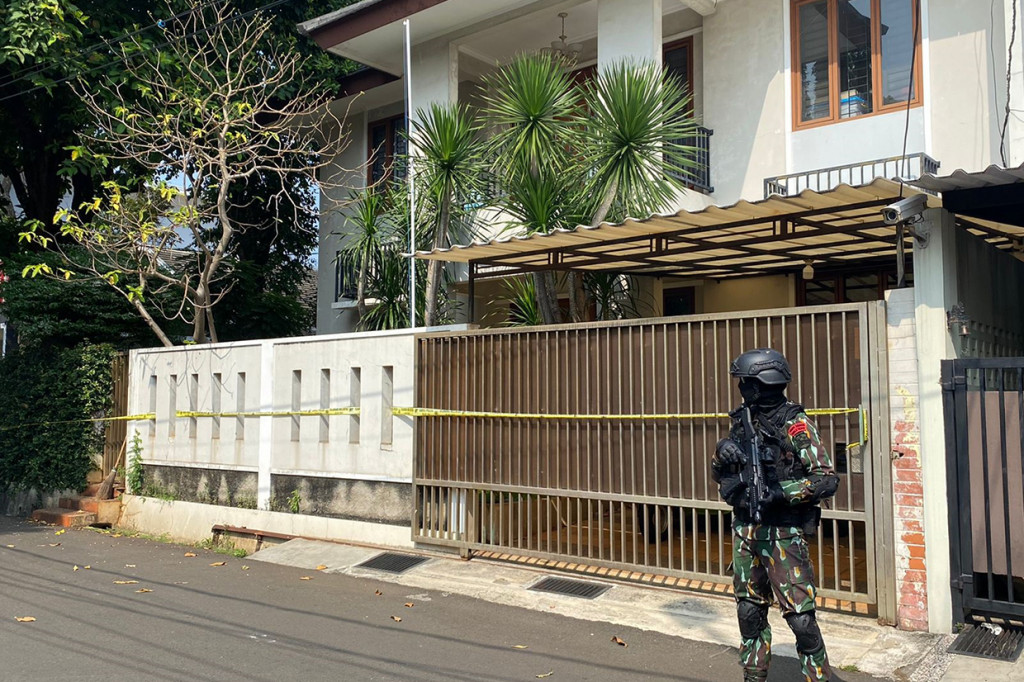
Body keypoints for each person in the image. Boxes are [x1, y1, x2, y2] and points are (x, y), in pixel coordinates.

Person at [711, 348, 840, 682]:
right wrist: (721, 452)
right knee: (748, 611)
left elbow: (826, 478)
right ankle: (754, 675)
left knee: (801, 619)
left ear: (762, 384)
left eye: (745, 382)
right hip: (746, 531)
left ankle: (818, 677)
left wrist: (781, 493)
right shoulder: (742, 421)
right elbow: (721, 475)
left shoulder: (795, 424)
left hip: (783, 534)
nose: (741, 387)